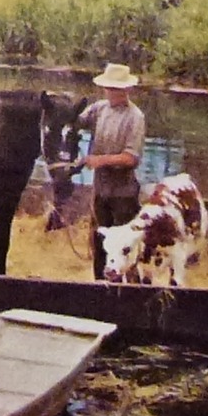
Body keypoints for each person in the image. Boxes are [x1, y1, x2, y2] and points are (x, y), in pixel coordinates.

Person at [75, 62, 147, 280]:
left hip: (123, 193)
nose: (111, 92)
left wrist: (100, 160)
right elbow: (78, 121)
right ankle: (98, 286)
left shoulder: (135, 117)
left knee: (125, 247)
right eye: (109, 88)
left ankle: (127, 291)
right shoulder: (99, 109)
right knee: (99, 244)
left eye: (116, 88)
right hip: (100, 190)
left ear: (126, 90)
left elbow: (131, 157)